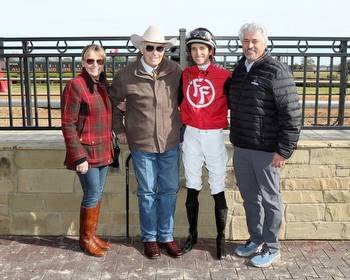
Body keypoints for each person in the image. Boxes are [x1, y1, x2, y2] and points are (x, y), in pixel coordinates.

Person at [228, 23, 302, 267]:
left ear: (264, 43)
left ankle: (272, 247)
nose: (250, 46)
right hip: (242, 148)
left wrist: (283, 150)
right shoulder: (240, 69)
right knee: (250, 199)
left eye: (255, 41)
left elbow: (291, 114)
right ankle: (256, 240)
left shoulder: (276, 71)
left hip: (267, 151)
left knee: (271, 200)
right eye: (246, 41)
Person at [110, 25, 183, 259]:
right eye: (150, 47)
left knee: (170, 191)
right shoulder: (125, 75)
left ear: (164, 49)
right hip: (141, 144)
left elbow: (189, 98)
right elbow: (111, 104)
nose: (155, 52)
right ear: (142, 48)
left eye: (159, 48)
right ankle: (150, 238)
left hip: (170, 142)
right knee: (148, 192)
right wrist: (119, 129)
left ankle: (166, 236)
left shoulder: (175, 71)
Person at [178, 28, 231, 259]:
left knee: (217, 186)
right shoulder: (185, 74)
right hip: (191, 134)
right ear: (189, 51)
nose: (198, 52)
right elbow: (179, 101)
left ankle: (221, 238)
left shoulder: (225, 76)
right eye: (194, 49)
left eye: (202, 48)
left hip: (214, 135)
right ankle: (192, 234)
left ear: (211, 51)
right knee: (192, 184)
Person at [61, 44, 113, 257]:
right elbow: (67, 123)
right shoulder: (76, 85)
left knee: (97, 193)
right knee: (91, 194)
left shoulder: (102, 84)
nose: (94, 65)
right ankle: (85, 240)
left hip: (103, 150)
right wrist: (79, 156)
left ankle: (92, 236)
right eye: (90, 61)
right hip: (86, 153)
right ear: (83, 62)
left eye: (99, 61)